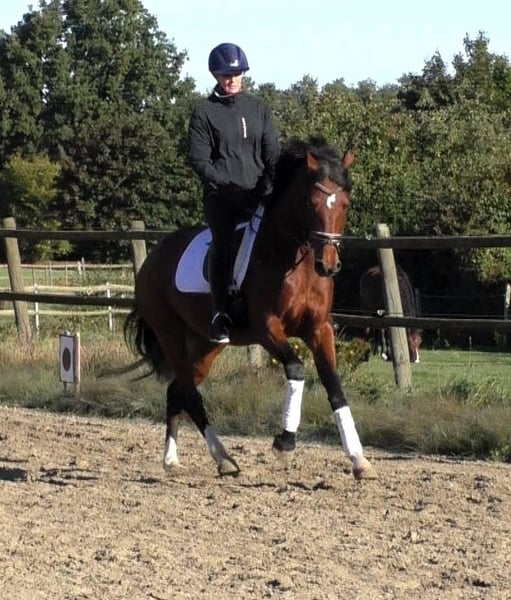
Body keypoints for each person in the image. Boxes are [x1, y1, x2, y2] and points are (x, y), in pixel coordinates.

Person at [188, 42, 280, 344]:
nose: (232, 79)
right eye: (226, 75)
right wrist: (225, 185)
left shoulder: (257, 108)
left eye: (237, 74)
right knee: (224, 243)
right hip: (222, 197)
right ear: (216, 75)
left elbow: (272, 151)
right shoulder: (204, 113)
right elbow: (199, 160)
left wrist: (269, 183)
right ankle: (219, 313)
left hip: (258, 193)